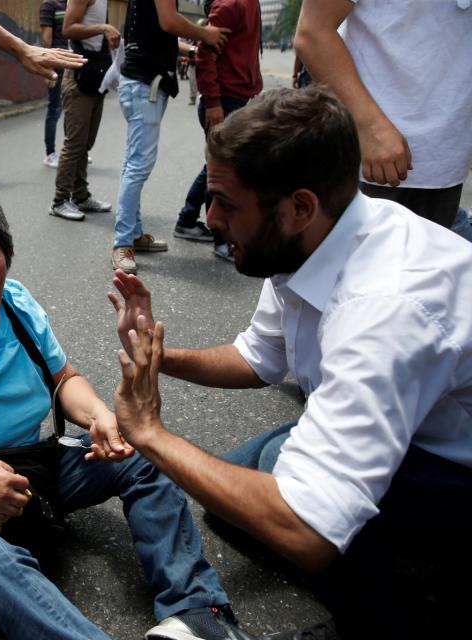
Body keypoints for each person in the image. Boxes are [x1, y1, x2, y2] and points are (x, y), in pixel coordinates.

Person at [111, 86, 472, 638]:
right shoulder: (311, 238)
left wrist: (150, 434)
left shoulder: (383, 308)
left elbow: (307, 531)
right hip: (415, 425)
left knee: (299, 517)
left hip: (453, 464)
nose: (210, 220)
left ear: (299, 206)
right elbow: (257, 358)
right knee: (231, 493)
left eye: (227, 204)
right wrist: (158, 357)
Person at [0, 187, 259, 640]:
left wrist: (100, 416)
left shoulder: (17, 304)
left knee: (144, 451)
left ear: (6, 255)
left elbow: (64, 378)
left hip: (29, 466)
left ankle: (198, 611)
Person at [295, 0, 472, 227]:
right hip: (374, 157)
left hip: (448, 162)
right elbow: (313, 33)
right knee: (355, 259)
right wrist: (369, 126)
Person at [109, 0, 230, 274]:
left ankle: (133, 235)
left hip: (140, 83)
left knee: (134, 163)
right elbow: (169, 22)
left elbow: (160, 34)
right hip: (144, 86)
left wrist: (193, 47)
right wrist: (206, 34)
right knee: (138, 165)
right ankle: (122, 244)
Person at [172, 0, 261, 261]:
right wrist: (212, 102)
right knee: (223, 169)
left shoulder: (249, 3)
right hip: (223, 100)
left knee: (216, 165)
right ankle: (221, 239)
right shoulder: (229, 4)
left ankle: (187, 219)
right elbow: (204, 55)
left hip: (237, 98)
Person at [48, 0, 119, 222]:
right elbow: (68, 28)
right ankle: (60, 201)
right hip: (79, 77)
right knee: (75, 142)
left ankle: (80, 195)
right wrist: (104, 28)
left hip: (95, 74)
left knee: (86, 142)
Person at [40, 0, 68, 168]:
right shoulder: (48, 5)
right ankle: (50, 154)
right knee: (55, 108)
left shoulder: (69, 3)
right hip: (56, 61)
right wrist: (49, 68)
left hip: (71, 61)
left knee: (72, 108)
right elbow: (46, 38)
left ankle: (71, 151)